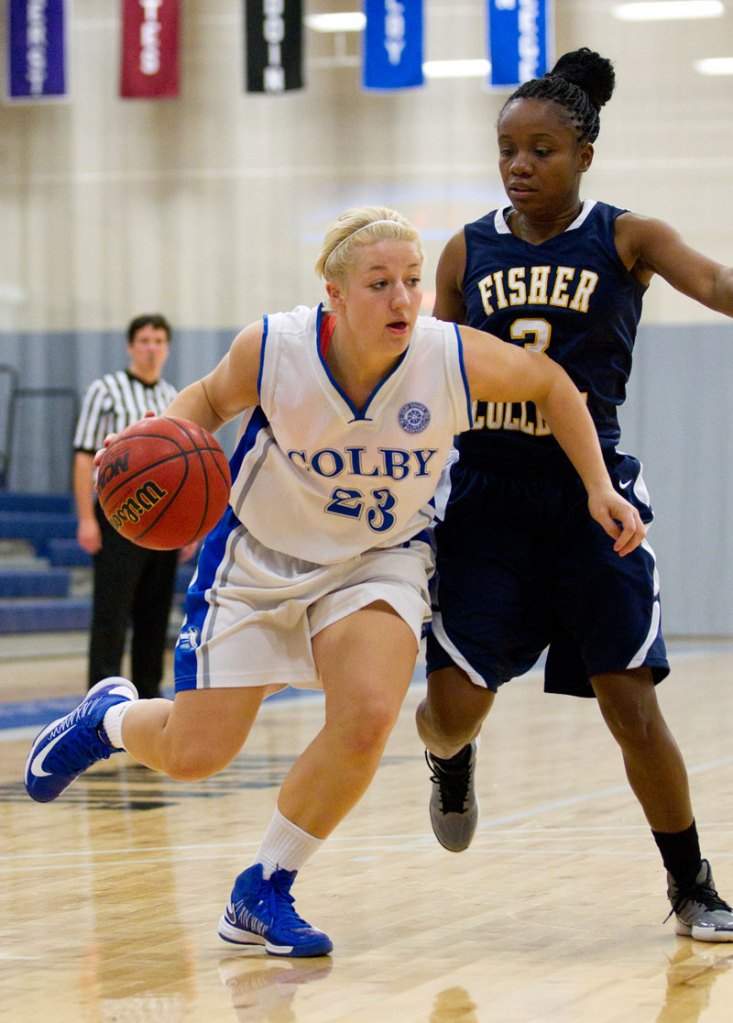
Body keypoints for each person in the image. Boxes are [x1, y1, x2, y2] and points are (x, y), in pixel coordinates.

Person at [25, 206, 643, 958]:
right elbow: (208, 403)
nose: (402, 299)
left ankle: (265, 887)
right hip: (260, 556)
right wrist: (152, 456)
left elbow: (549, 383)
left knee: (368, 713)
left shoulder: (446, 356)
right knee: (195, 753)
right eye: (379, 283)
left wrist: (598, 486)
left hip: (376, 556)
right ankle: (110, 717)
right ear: (334, 294)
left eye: (412, 282)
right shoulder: (273, 347)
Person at [416, 48, 733, 942]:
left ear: (584, 153)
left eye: (541, 149)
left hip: (592, 498)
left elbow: (713, 281)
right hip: (484, 497)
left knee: (630, 701)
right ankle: (450, 760)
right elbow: (427, 373)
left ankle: (691, 884)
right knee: (449, 711)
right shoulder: (465, 248)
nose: (519, 164)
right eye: (507, 149)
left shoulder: (626, 237)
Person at [72, 314, 196, 700]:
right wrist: (85, 519)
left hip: (162, 522)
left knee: (154, 618)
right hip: (118, 516)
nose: (151, 347)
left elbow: (184, 470)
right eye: (144, 340)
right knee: (111, 615)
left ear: (167, 347)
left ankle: (148, 701)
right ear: (130, 346)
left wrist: (187, 528)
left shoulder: (172, 397)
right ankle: (99, 706)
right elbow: (82, 457)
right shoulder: (105, 390)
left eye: (159, 340)